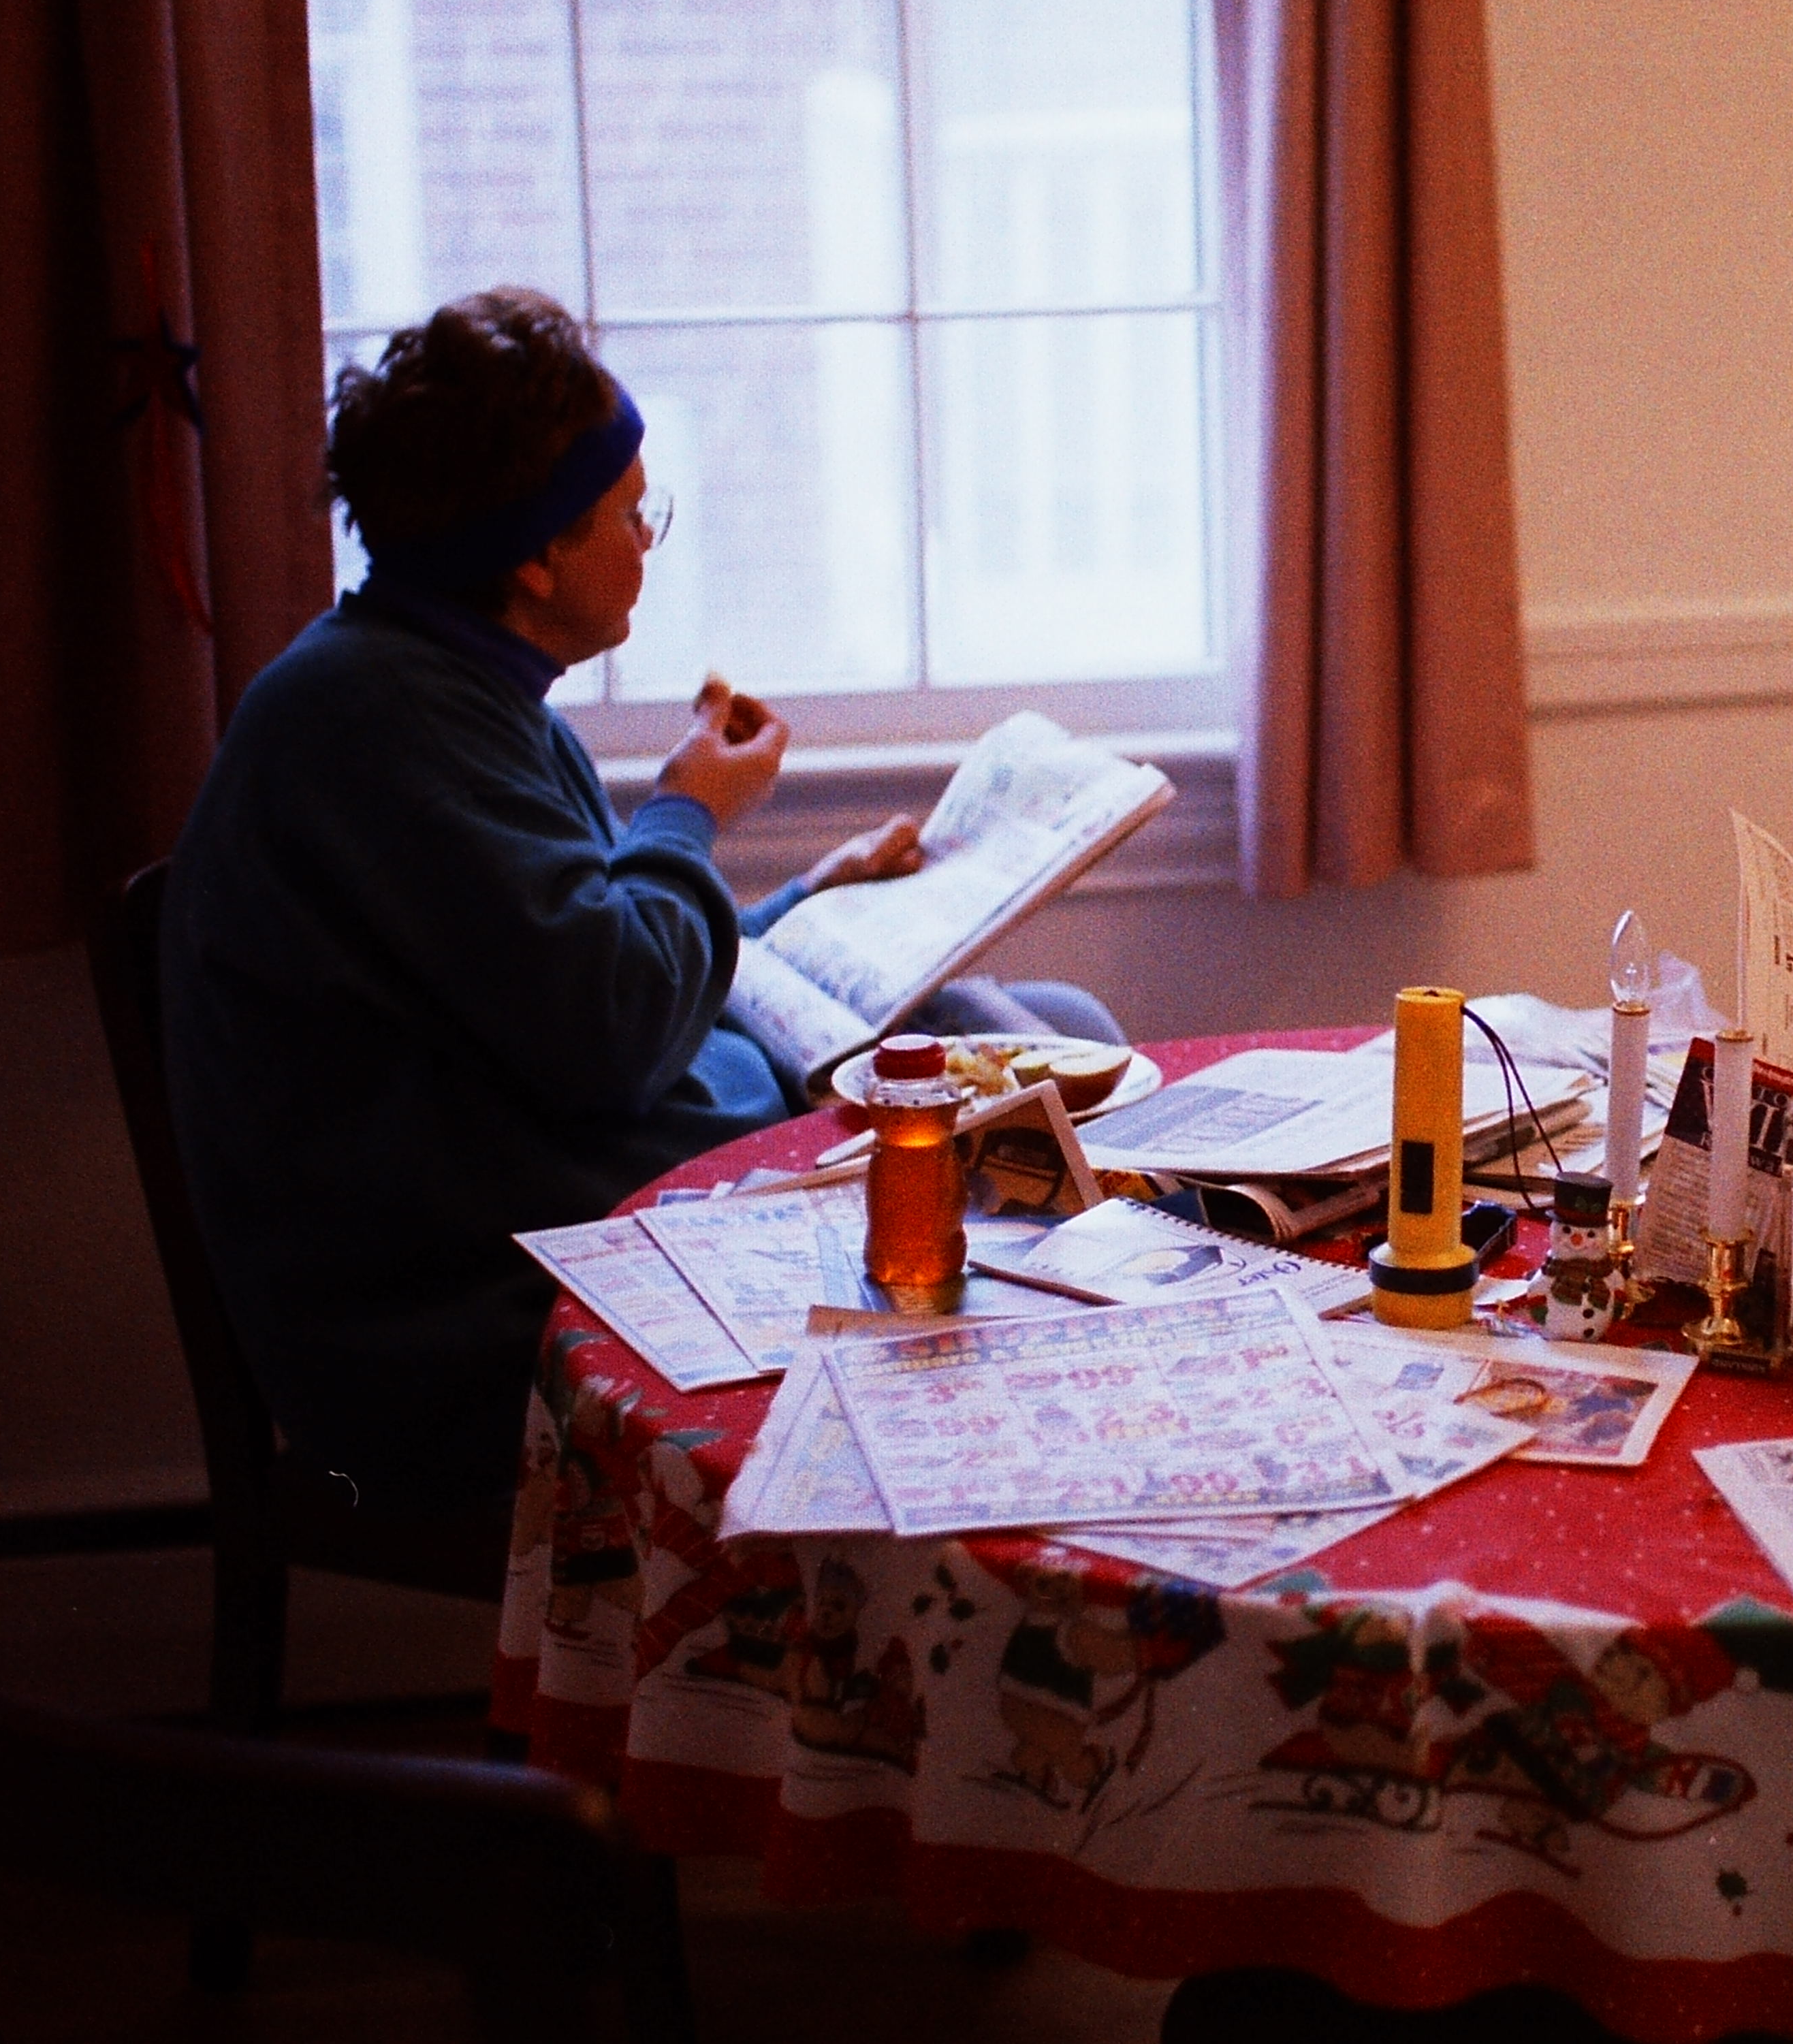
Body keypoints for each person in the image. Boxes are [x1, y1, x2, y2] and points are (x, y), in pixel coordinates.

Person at [161, 286, 1115, 1509]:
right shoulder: (379, 725)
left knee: (1046, 1033)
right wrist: (688, 811)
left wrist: (806, 899)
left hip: (566, 1191)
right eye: (630, 512)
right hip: (478, 1327)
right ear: (536, 555)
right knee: (1031, 1127)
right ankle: (1024, 1541)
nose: (648, 542)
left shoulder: (438, 685)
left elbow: (561, 969)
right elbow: (611, 1025)